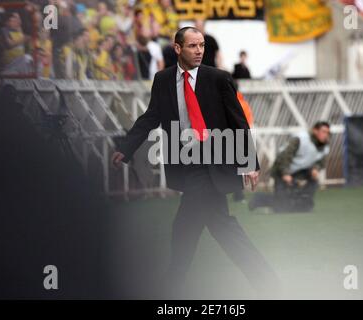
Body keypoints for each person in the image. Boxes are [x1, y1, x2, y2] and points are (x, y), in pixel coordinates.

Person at [112, 26, 278, 298]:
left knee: (186, 229)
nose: (199, 50)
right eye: (192, 46)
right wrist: (126, 147)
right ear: (177, 49)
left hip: (211, 164)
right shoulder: (163, 80)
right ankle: (269, 284)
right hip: (185, 163)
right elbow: (151, 116)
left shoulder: (219, 79)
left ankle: (169, 288)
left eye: (201, 45)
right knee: (217, 229)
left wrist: (249, 163)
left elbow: (238, 123)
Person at [249, 121, 331, 213]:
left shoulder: (325, 145)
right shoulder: (301, 139)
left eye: (327, 132)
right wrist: (285, 173)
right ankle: (259, 199)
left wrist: (316, 168)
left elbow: (321, 161)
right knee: (282, 208)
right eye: (323, 131)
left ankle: (305, 203)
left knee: (313, 180)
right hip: (281, 170)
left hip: (300, 172)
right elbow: (284, 157)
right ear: (315, 131)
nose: (326, 135)